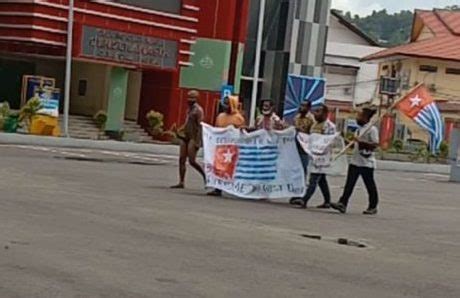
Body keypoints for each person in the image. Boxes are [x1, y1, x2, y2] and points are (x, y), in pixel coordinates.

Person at [330, 107, 380, 215]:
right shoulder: (359, 130)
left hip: (366, 163)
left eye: (359, 116)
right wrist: (345, 139)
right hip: (355, 161)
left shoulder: (372, 129)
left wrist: (360, 142)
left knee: (369, 185)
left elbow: (374, 145)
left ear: (366, 117)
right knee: (349, 184)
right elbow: (355, 145)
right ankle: (342, 203)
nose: (357, 118)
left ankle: (373, 206)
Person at [291, 104, 336, 209]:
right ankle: (327, 201)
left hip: (322, 158)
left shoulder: (329, 126)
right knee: (321, 179)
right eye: (315, 111)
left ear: (325, 113)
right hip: (313, 156)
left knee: (314, 179)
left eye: (318, 111)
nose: (315, 114)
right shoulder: (314, 125)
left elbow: (330, 141)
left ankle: (304, 199)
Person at [207, 96, 246, 196]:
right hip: (221, 147)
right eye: (224, 104)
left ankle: (235, 188)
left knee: (232, 169)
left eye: (228, 104)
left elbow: (242, 132)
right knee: (218, 168)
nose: (225, 106)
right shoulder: (220, 116)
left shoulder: (238, 118)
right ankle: (217, 188)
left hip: (232, 149)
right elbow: (216, 130)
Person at [170, 90, 206, 189]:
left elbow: (200, 126)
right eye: (189, 98)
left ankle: (205, 176)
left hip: (194, 137)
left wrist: (198, 142)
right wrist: (179, 130)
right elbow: (186, 123)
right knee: (181, 159)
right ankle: (181, 182)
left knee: (192, 161)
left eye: (192, 98)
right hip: (186, 135)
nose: (190, 100)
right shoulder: (189, 109)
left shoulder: (198, 110)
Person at [289, 101, 314, 204]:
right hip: (295, 147)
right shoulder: (297, 117)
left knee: (302, 170)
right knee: (295, 171)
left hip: (304, 149)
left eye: (304, 106)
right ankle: (295, 193)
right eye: (301, 105)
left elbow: (311, 134)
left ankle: (301, 194)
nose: (301, 107)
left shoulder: (311, 119)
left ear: (308, 107)